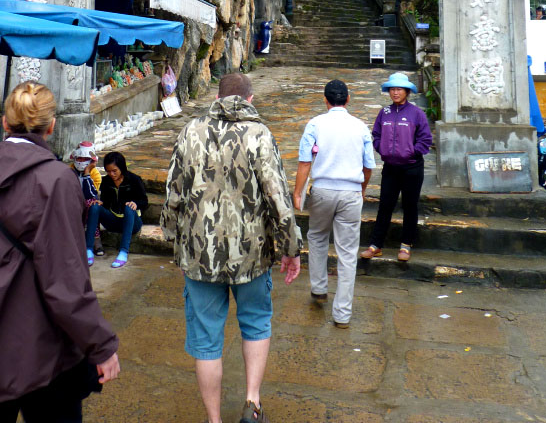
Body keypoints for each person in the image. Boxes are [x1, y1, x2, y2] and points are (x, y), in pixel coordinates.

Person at [0, 81, 119, 422]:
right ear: (51, 126)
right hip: (39, 352)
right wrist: (101, 345)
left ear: (5, 123)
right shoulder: (56, 181)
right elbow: (66, 281)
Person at [161, 72, 301, 423]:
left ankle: (214, 419)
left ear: (217, 98)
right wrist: (290, 247)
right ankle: (252, 402)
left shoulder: (190, 131)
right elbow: (278, 197)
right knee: (255, 322)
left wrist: (173, 239)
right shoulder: (260, 134)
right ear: (250, 99)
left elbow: (173, 192)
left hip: (200, 254)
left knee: (206, 339)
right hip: (251, 254)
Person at [293, 79, 375, 328]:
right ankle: (342, 314)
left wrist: (297, 192)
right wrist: (361, 189)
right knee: (347, 252)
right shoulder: (360, 126)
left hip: (322, 190)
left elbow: (305, 162)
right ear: (348, 99)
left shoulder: (315, 124)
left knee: (317, 237)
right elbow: (368, 166)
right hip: (351, 192)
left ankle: (319, 287)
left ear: (325, 100)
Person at [360, 72, 432, 263]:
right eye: (392, 89)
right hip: (390, 168)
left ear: (407, 91)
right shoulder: (384, 113)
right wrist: (382, 148)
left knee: (410, 205)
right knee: (385, 205)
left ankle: (406, 245)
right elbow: (376, 135)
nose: (395, 92)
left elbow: (426, 139)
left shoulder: (417, 113)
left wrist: (412, 152)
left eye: (399, 89)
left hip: (412, 168)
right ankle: (376, 245)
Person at [85, 150, 148, 269]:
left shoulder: (134, 180)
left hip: (132, 222)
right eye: (108, 171)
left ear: (122, 168)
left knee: (129, 207)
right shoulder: (106, 181)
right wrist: (100, 203)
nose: (112, 174)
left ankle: (123, 252)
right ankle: (88, 249)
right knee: (94, 206)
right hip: (113, 221)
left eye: (114, 171)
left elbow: (144, 202)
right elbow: (106, 203)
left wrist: (135, 204)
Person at [69, 141, 104, 256]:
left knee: (92, 206)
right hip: (72, 200)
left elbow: (90, 193)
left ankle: (96, 241)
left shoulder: (95, 174)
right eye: (79, 158)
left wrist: (87, 173)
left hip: (88, 201)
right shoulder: (70, 170)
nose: (82, 161)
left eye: (85, 159)